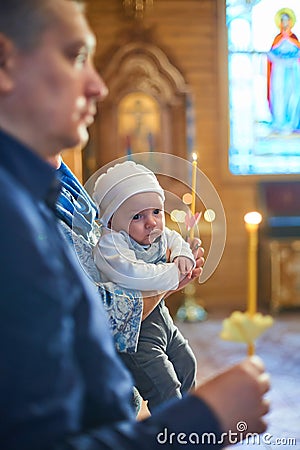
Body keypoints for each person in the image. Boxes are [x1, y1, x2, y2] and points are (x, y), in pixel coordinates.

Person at [0, 1, 271, 449]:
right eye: (75, 57)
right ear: (6, 63)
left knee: (182, 366)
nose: (99, 87)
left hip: (118, 403)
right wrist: (206, 419)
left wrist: (170, 268)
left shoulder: (54, 186)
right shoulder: (11, 223)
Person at [92, 160, 197, 411]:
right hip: (135, 335)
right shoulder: (110, 247)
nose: (151, 222)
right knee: (164, 385)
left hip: (162, 320)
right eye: (137, 216)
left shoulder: (159, 235)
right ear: (111, 221)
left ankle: (189, 417)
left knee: (187, 364)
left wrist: (184, 255)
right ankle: (169, 435)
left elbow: (177, 241)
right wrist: (174, 273)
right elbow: (136, 275)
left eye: (156, 212)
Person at [267, 8, 300, 133]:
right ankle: (279, 122)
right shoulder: (277, 39)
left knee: (292, 94)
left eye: (287, 21)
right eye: (283, 21)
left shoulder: (294, 39)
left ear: (290, 22)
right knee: (279, 94)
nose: (285, 23)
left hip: (292, 70)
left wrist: (291, 58)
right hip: (280, 71)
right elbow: (271, 54)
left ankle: (292, 122)